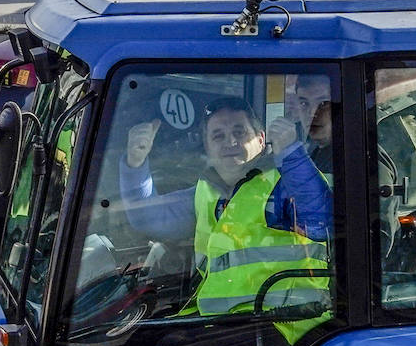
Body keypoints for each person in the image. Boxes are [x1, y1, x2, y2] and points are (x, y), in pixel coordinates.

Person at [118, 94, 331, 323]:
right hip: (224, 324)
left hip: (285, 325)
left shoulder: (285, 184)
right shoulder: (205, 191)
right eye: (218, 136)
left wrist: (290, 153)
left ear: (261, 140)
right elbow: (147, 218)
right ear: (208, 148)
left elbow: (320, 220)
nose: (230, 142)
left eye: (239, 133)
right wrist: (135, 164)